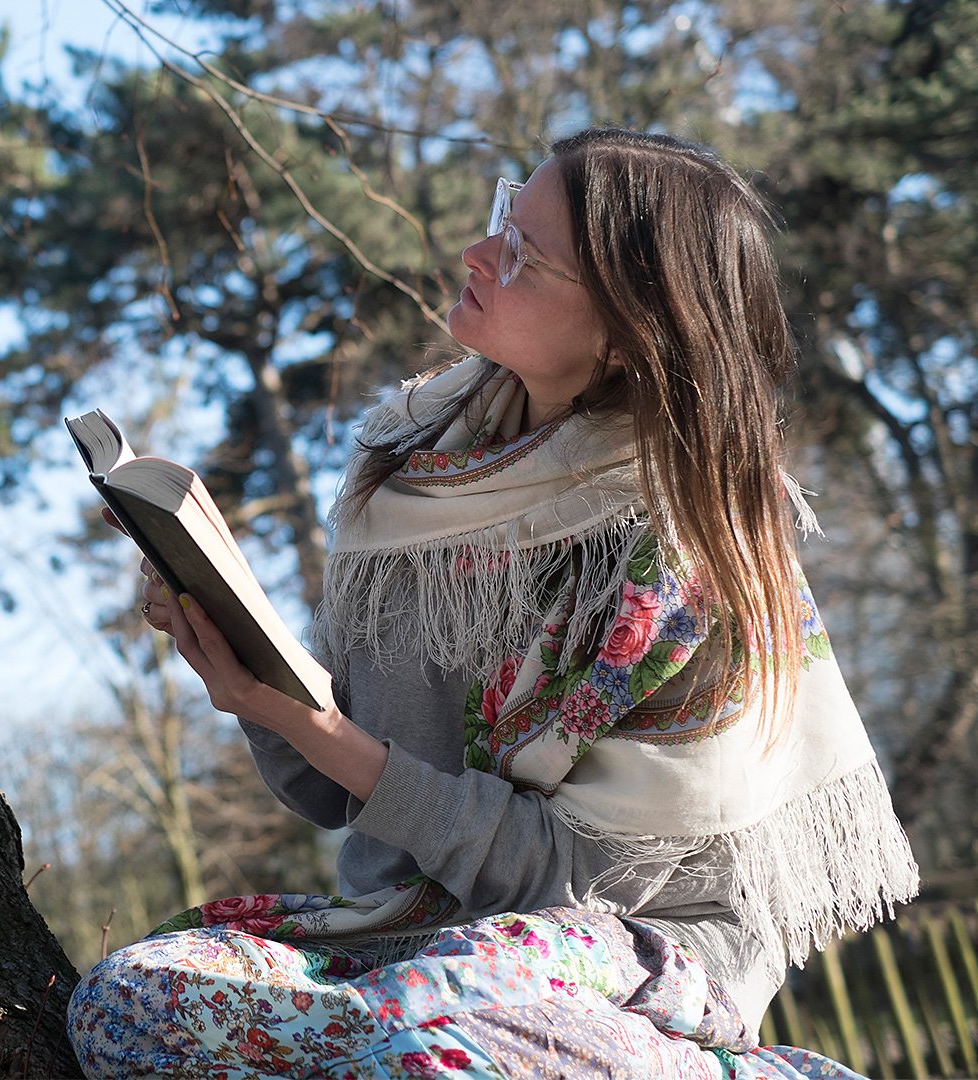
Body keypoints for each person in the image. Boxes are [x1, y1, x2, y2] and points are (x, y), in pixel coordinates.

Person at [68, 128, 918, 1078]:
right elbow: (329, 787)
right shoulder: (418, 463)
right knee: (127, 1003)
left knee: (435, 1033)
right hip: (407, 939)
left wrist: (318, 730)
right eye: (503, 215)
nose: (478, 254)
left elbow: (580, 881)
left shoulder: (682, 551)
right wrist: (248, 676)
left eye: (523, 254)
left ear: (627, 330)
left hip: (624, 950)